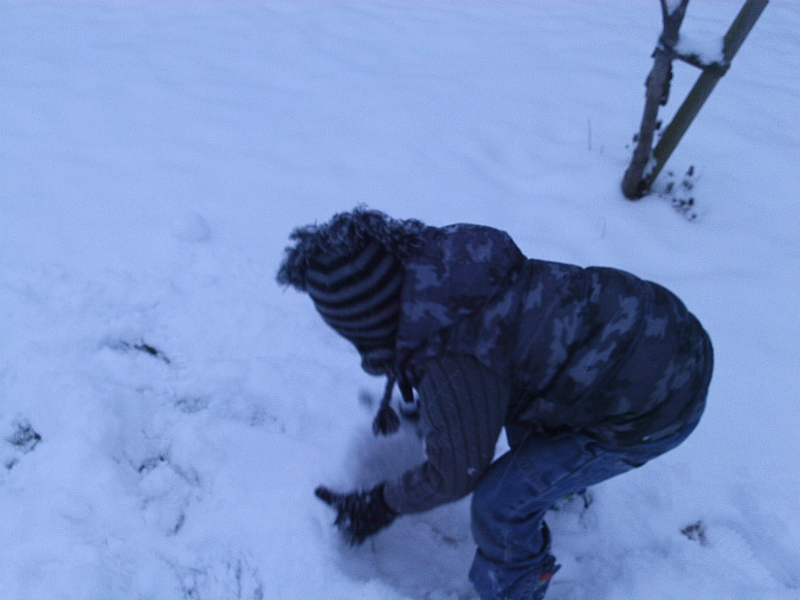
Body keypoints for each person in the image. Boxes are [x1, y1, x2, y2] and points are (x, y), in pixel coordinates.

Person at [277, 207, 713, 600]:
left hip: (650, 411)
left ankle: (515, 592)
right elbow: (493, 360)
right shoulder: (446, 271)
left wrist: (381, 503)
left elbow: (455, 474)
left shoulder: (453, 354)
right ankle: (561, 492)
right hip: (656, 332)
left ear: (368, 322)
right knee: (524, 414)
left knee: (499, 503)